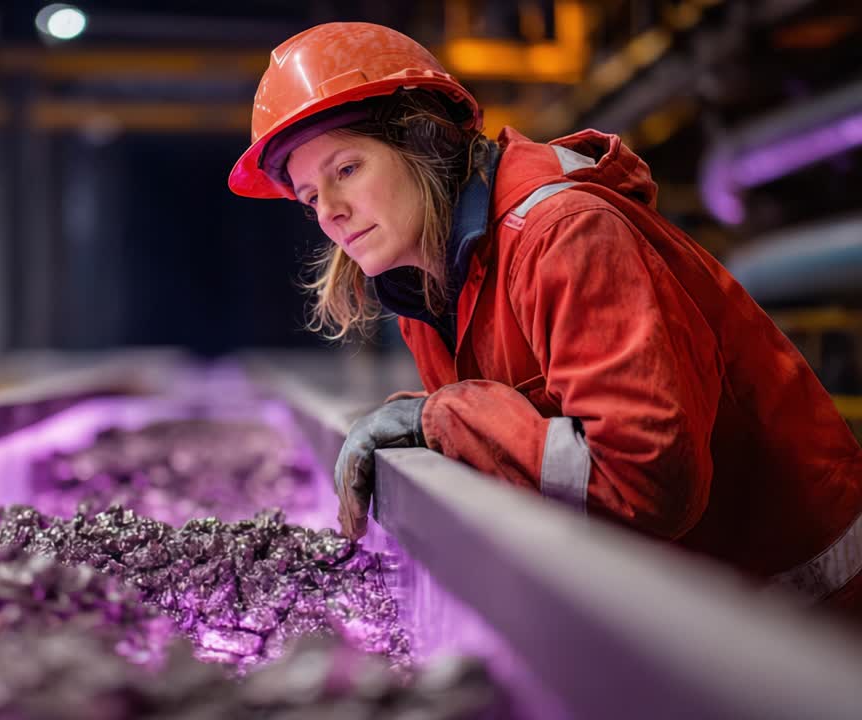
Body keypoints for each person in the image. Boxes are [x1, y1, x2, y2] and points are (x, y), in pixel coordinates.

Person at [228, 22, 862, 612]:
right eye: (311, 196)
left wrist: (441, 417)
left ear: (427, 141)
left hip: (807, 621)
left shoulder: (566, 235)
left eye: (347, 168)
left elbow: (648, 482)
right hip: (693, 612)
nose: (331, 210)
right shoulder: (424, 287)